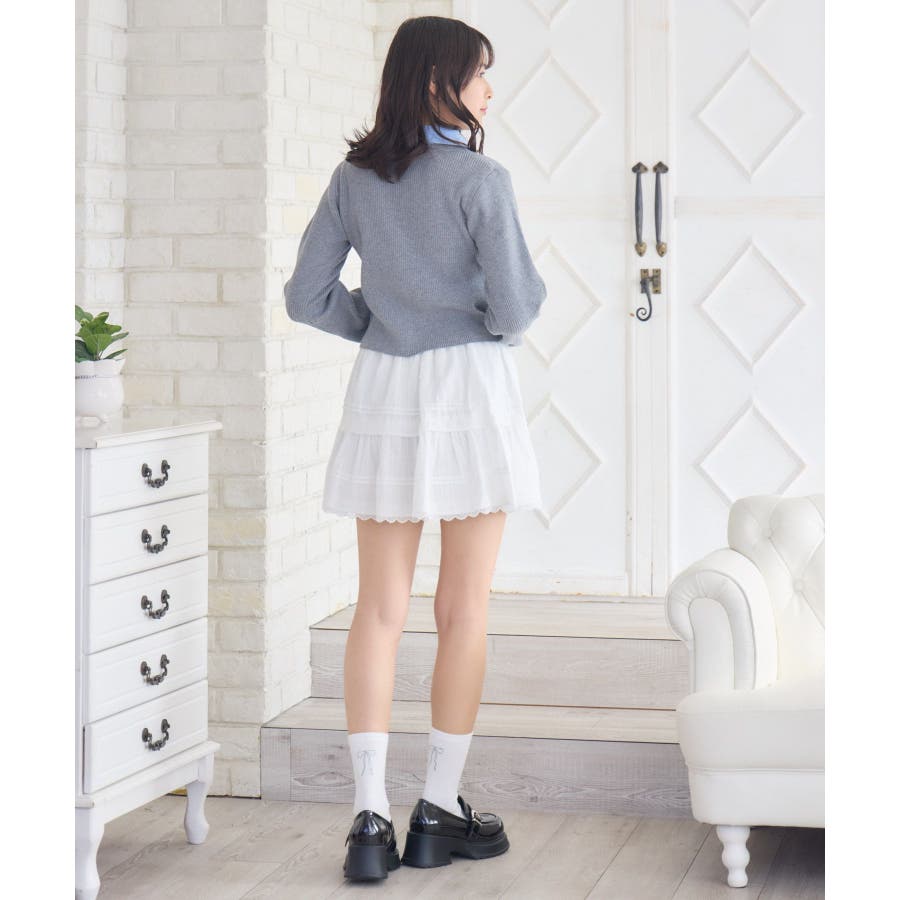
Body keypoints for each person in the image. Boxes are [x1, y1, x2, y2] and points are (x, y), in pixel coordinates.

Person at [283, 14, 547, 884]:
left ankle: (369, 820)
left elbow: (305, 296)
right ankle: (437, 808)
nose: (489, 91)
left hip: (386, 390)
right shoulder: (482, 180)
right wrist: (475, 314)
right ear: (438, 82)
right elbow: (515, 309)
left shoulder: (355, 180)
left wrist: (378, 320)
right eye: (479, 74)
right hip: (470, 389)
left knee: (378, 609)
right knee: (463, 609)